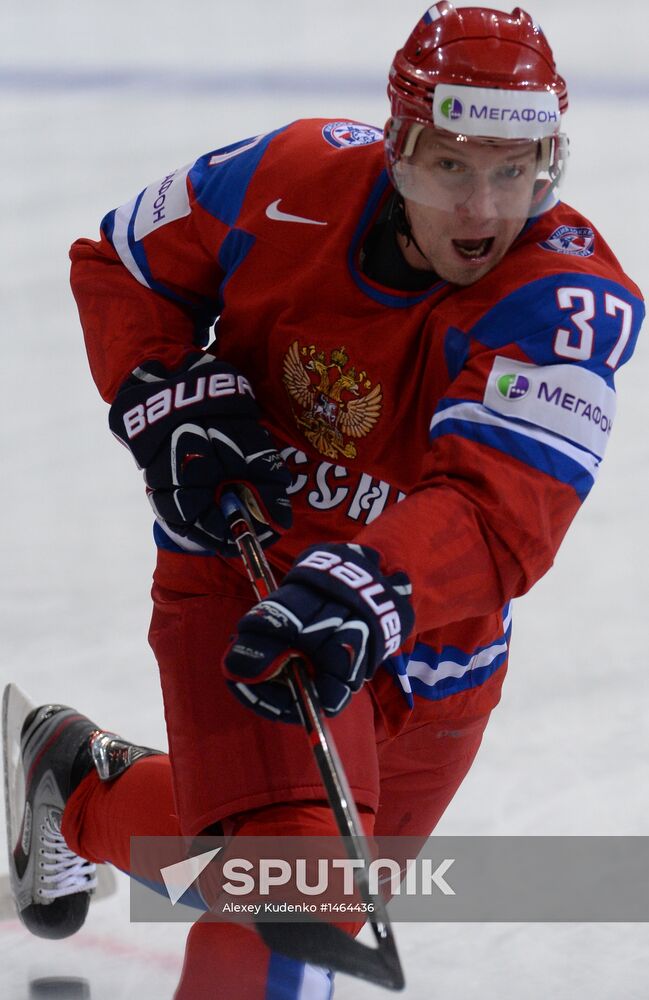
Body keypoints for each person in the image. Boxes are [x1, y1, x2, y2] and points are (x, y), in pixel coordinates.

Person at [6, 3, 644, 997]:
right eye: (451, 168)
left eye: (511, 171)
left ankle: (83, 787)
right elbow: (125, 267)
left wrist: (367, 585)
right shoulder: (285, 177)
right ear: (397, 149)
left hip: (429, 644)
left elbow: (497, 510)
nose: (482, 211)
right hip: (244, 573)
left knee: (289, 883)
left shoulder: (565, 304)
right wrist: (163, 392)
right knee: (297, 905)